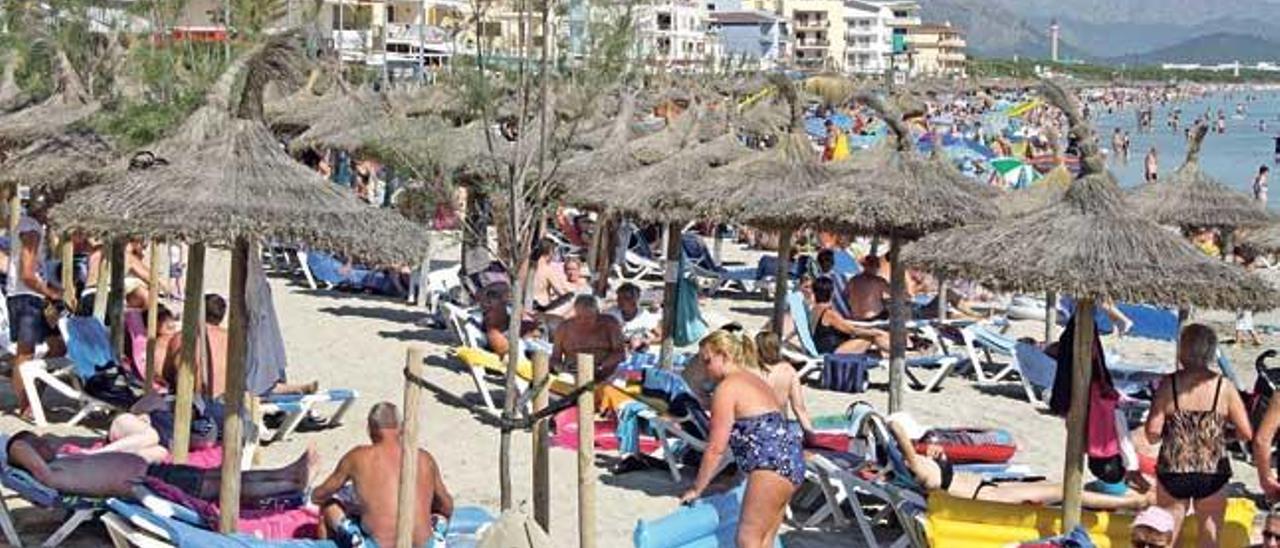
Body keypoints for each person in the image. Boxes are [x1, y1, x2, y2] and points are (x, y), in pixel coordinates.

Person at [679, 330, 803, 548]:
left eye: (707, 361)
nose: (705, 371)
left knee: (748, 541)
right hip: (791, 460)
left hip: (768, 464)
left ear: (724, 355)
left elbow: (716, 447)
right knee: (765, 542)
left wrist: (697, 488)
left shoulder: (727, 388)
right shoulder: (755, 381)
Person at [1144, 324, 1252, 547]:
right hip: (1212, 470)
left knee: (1167, 538)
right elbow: (1246, 433)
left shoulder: (1169, 384)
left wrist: (1174, 433)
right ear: (1211, 351)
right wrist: (1222, 435)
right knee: (1209, 538)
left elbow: (1152, 433)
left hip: (1174, 469)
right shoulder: (1224, 387)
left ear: (1183, 349)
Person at [884, 418, 1146, 509]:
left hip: (991, 489)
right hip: (989, 498)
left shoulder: (918, 464)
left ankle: (1118, 496)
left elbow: (904, 442)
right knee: (1065, 492)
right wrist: (894, 427)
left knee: (1054, 487)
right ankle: (1131, 502)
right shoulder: (917, 467)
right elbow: (898, 430)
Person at [5, 430, 313, 500]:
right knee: (217, 485)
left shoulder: (59, 462)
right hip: (148, 485)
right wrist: (21, 443)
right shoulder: (45, 471)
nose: (47, 444)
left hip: (150, 474)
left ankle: (285, 473)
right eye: (39, 442)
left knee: (219, 475)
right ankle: (287, 486)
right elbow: (16, 447)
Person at [313, 402, 453, 548]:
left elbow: (319, 496)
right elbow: (447, 506)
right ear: (401, 429)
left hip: (377, 545)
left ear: (370, 429)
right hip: (426, 545)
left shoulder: (357, 457)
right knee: (439, 517)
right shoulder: (424, 458)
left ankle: (349, 539)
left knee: (329, 505)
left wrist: (361, 506)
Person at [7, 200, 66, 419]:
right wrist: (51, 293)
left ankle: (33, 398)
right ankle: (25, 405)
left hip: (30, 295)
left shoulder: (31, 227)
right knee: (26, 353)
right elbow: (28, 274)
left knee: (57, 346)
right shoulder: (31, 229)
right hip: (27, 296)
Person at [754, 331, 816, 443]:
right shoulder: (789, 371)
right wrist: (811, 437)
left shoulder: (752, 371)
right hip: (779, 428)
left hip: (755, 429)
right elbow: (799, 408)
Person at [550, 295, 625, 379]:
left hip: (605, 374)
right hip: (573, 375)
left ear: (598, 313)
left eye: (589, 317)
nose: (583, 321)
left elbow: (620, 353)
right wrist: (562, 368)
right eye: (579, 317)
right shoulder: (564, 328)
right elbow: (555, 358)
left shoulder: (610, 324)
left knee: (630, 376)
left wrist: (600, 366)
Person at [813, 277, 889, 354]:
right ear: (831, 293)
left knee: (872, 340)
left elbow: (841, 325)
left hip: (825, 348)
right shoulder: (829, 314)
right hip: (834, 351)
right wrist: (875, 332)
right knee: (871, 337)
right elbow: (852, 330)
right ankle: (898, 353)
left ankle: (894, 353)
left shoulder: (815, 310)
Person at [606, 283, 661, 352]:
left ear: (635, 300)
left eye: (626, 298)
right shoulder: (611, 314)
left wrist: (644, 341)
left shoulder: (645, 315)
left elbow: (661, 336)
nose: (620, 301)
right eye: (619, 298)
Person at [530, 239, 576, 320]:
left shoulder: (526, 267)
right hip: (542, 308)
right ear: (550, 252)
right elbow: (561, 292)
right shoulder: (547, 270)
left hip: (526, 305)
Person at [846, 256, 890, 321]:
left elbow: (847, 296)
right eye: (877, 266)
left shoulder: (852, 280)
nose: (877, 268)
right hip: (873, 318)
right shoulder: (878, 281)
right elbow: (896, 294)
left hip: (855, 318)